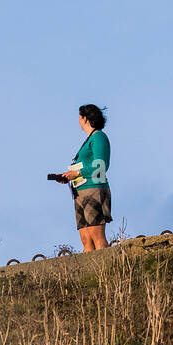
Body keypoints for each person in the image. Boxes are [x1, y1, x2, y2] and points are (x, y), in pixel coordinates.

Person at [61, 105, 112, 251]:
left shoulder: (99, 137)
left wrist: (77, 173)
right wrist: (69, 176)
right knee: (86, 240)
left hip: (94, 188)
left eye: (79, 117)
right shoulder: (89, 139)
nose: (78, 120)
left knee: (97, 237)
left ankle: (106, 269)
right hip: (80, 191)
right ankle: (93, 272)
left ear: (85, 118)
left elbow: (101, 166)